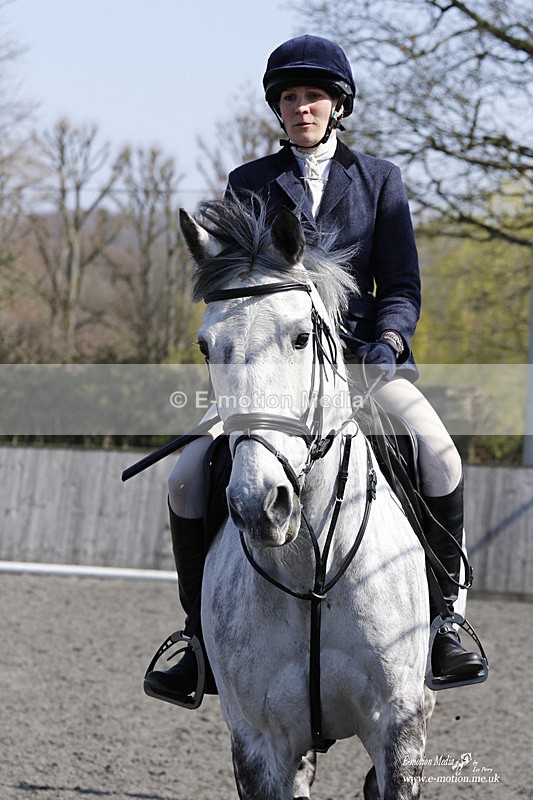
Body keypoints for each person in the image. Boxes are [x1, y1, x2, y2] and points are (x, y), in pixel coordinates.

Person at [145, 34, 484, 705]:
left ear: (338, 105)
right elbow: (233, 282)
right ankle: (195, 638)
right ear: (278, 108)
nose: (302, 108)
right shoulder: (248, 184)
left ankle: (444, 620)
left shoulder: (379, 180)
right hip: (270, 375)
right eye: (291, 98)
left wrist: (388, 340)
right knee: (185, 480)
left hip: (362, 366)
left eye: (314, 96)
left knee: (440, 458)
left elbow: (402, 285)